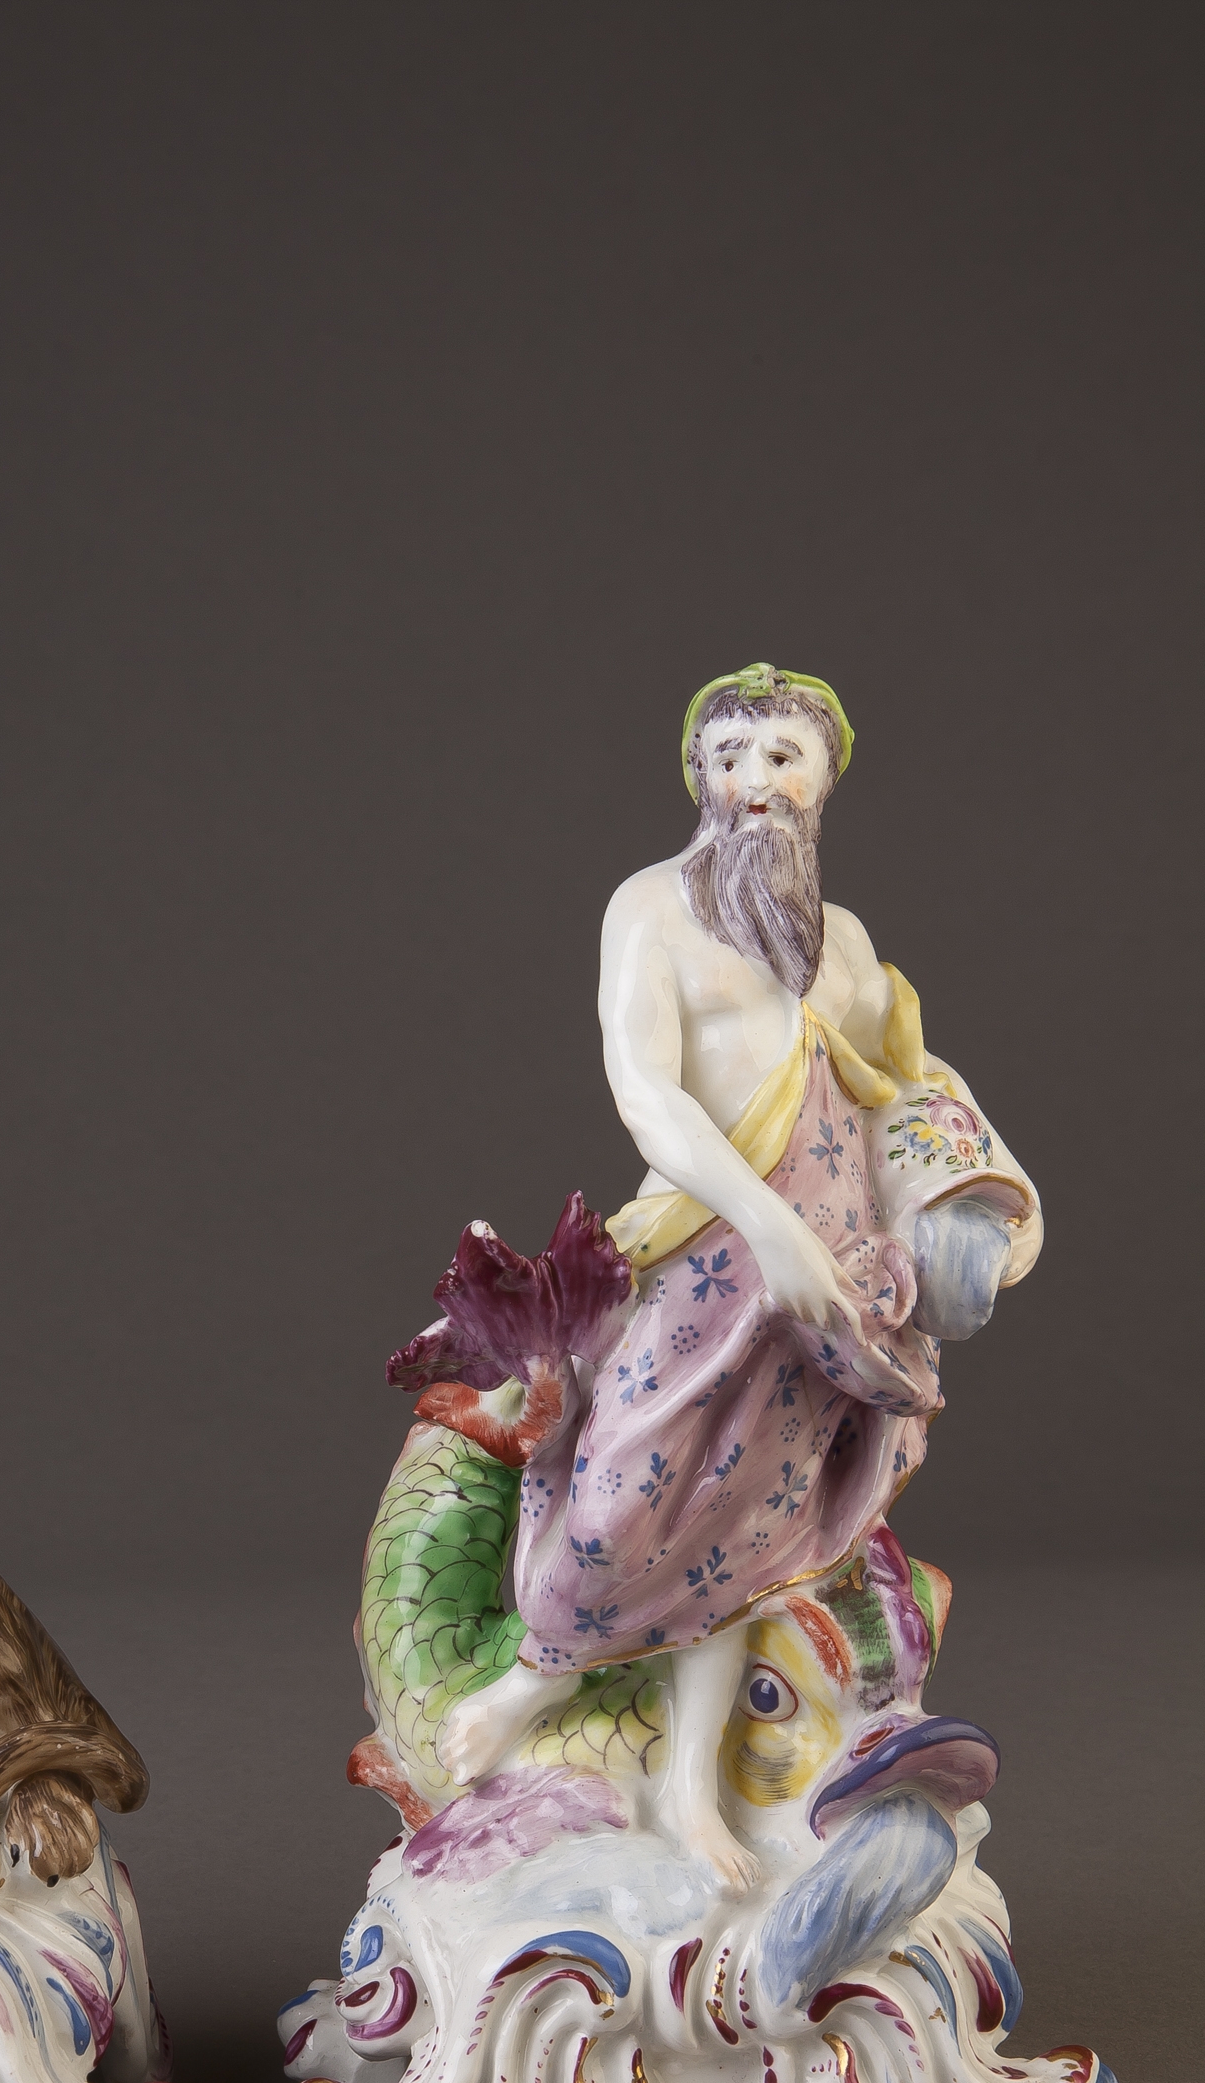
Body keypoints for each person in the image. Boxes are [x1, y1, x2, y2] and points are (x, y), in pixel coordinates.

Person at [437, 663, 1040, 1885]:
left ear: (824, 777)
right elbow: (644, 1090)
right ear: (695, 778)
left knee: (752, 1529)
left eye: (780, 756)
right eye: (727, 758)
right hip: (712, 1251)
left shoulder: (842, 942)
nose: (753, 783)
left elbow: (900, 1088)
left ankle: (687, 1788)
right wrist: (764, 1227)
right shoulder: (650, 910)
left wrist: (984, 1196)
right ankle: (527, 1682)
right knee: (624, 1487)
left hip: (828, 1292)